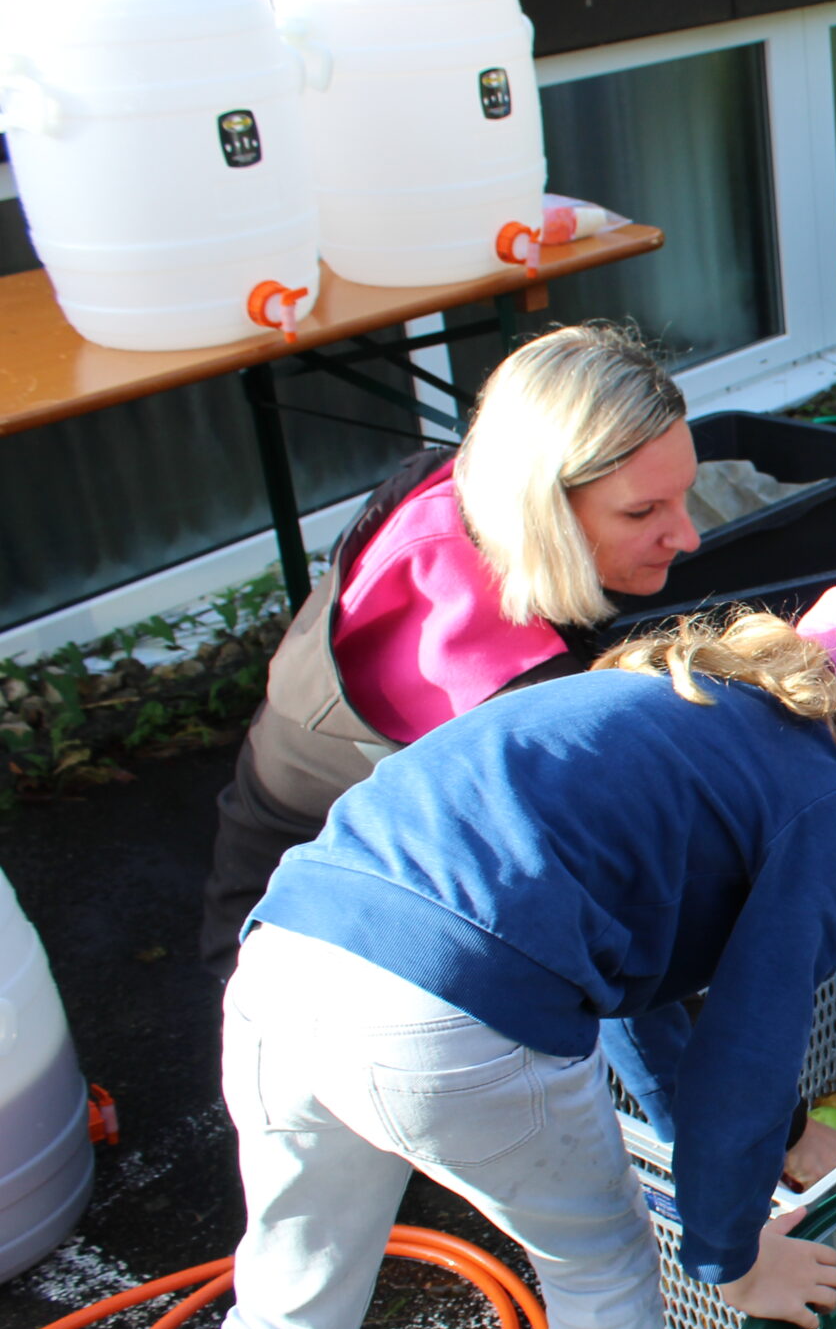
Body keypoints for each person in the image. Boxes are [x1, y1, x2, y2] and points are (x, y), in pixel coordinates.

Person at [118, 565, 836, 1329]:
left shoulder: (685, 698)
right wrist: (732, 1256)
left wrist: (782, 1139)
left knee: (282, 1327)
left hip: (291, 956)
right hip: (448, 1001)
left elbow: (638, 996)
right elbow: (748, 1043)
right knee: (604, 1271)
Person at [200, 323, 702, 973]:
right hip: (301, 945)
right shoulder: (512, 689)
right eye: (643, 513)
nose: (687, 536)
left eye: (685, 493)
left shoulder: (456, 479)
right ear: (541, 508)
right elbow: (595, 898)